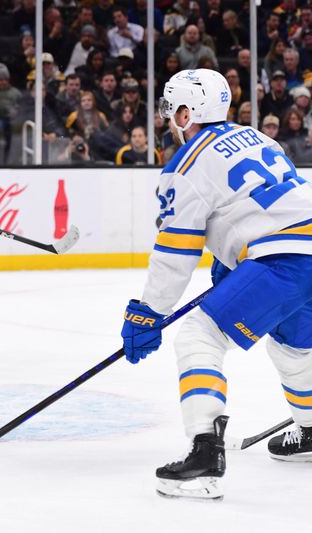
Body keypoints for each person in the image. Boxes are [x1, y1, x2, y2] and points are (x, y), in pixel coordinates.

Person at [120, 69, 312, 501]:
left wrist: (149, 312)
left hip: (283, 259)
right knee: (292, 347)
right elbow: (263, 203)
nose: (168, 117)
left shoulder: (185, 166)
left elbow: (176, 251)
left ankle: (205, 452)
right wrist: (235, 261)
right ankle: (311, 429)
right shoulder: (257, 137)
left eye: (172, 108)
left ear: (186, 114)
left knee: (199, 336)